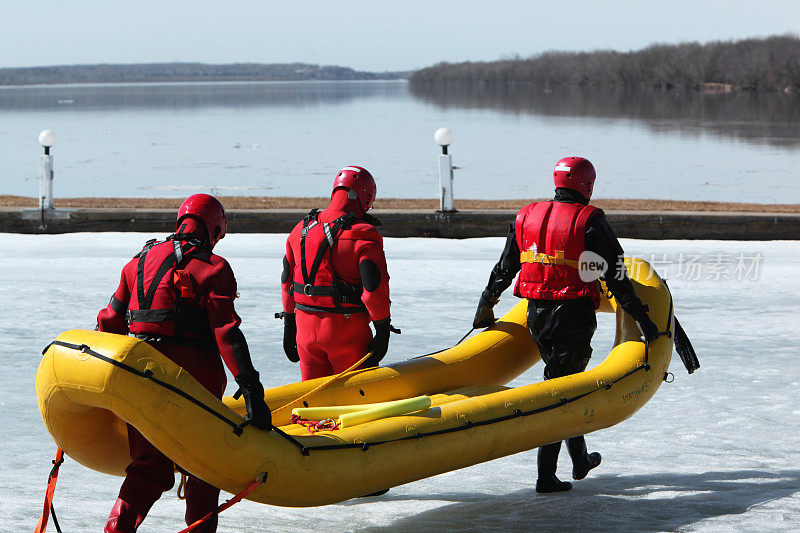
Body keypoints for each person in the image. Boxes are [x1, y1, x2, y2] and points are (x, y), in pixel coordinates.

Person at [472, 156, 659, 494]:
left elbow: (505, 266)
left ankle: (580, 460)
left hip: (536, 313)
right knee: (560, 391)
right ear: (587, 184)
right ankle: (546, 476)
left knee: (563, 382)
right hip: (572, 315)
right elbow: (616, 274)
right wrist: (643, 318)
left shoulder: (526, 215)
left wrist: (486, 303)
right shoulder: (590, 220)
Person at [97, 194, 270, 532]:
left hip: (141, 380)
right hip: (194, 387)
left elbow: (109, 322)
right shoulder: (213, 267)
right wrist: (251, 389)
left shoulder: (137, 264)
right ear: (215, 228)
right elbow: (227, 332)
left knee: (147, 468)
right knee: (204, 468)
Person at [279, 165, 397, 381]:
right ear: (367, 198)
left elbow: (287, 282)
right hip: (346, 333)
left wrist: (289, 324)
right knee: (355, 404)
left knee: (313, 402)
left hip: (305, 332)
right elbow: (374, 290)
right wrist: (382, 331)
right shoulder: (364, 234)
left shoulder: (299, 230)